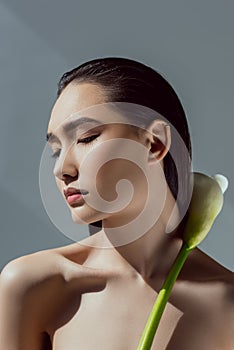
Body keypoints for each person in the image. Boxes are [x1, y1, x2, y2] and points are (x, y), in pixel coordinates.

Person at [0, 57, 233, 350]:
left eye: (86, 137)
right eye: (56, 151)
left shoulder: (228, 304)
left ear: (154, 143)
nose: (62, 170)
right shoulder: (34, 286)